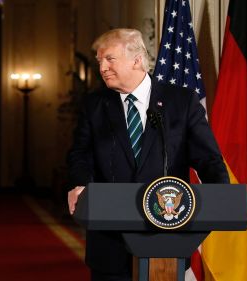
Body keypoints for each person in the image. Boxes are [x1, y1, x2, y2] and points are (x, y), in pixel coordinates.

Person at [66, 28, 229, 281]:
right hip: (110, 243)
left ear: (137, 59)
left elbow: (208, 158)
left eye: (110, 59)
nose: (102, 67)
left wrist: (220, 196)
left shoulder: (181, 101)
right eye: (100, 61)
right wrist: (79, 185)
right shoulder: (95, 104)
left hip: (167, 235)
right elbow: (80, 154)